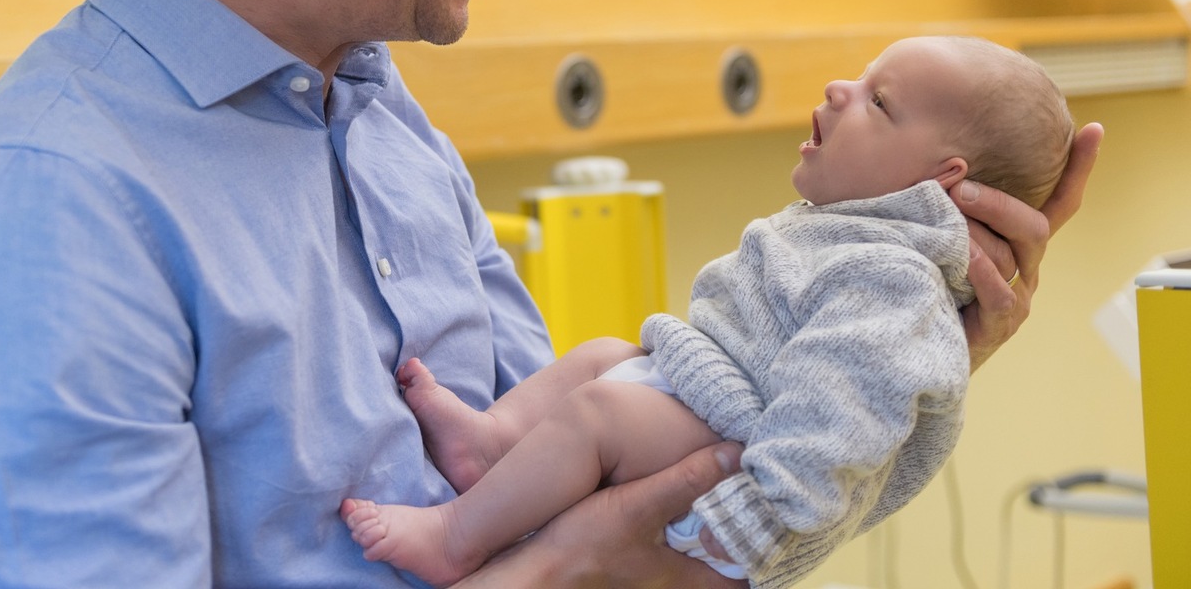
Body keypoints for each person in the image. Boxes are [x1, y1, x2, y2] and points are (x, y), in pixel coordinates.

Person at [0, 0, 1102, 585]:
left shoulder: (377, 118)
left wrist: (894, 356)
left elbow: (606, 494)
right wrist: (583, 568)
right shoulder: (60, 195)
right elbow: (597, 554)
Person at [340, 35, 1075, 586]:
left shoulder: (893, 279)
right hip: (711, 395)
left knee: (600, 411)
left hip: (743, 463)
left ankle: (456, 535)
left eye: (880, 102)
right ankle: (489, 443)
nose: (839, 88)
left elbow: (840, 421)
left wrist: (759, 517)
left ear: (941, 180)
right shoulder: (852, 236)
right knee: (601, 356)